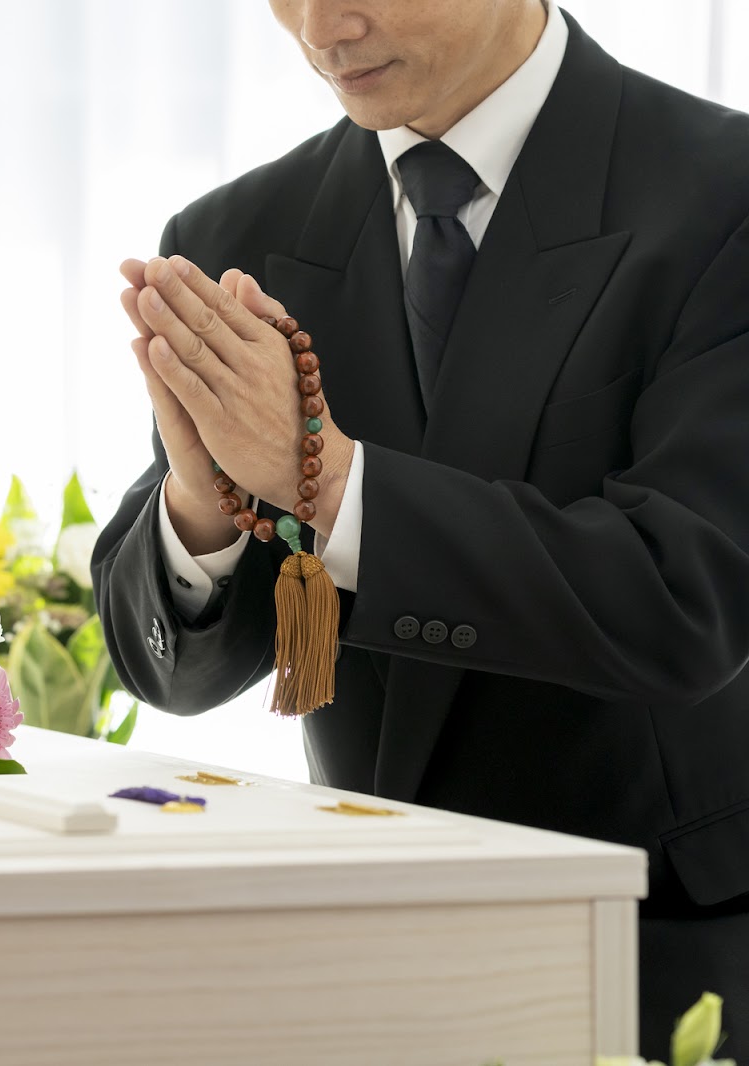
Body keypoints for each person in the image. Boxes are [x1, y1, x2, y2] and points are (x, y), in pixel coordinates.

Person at [90, 1, 749, 1057]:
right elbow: (169, 670)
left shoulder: (723, 193)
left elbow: (686, 599)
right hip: (370, 951)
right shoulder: (237, 236)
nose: (321, 26)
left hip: (666, 946)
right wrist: (203, 504)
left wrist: (326, 483)